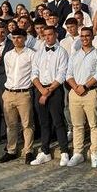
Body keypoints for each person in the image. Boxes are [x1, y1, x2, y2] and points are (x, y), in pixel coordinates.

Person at [30, 26, 71, 166]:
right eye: (45, 35)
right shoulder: (38, 53)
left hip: (55, 90)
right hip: (40, 89)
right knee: (44, 123)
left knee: (58, 121)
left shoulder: (62, 52)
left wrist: (48, 91)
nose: (47, 37)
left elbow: (61, 74)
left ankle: (65, 152)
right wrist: (42, 90)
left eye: (50, 34)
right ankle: (45, 151)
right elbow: (34, 73)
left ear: (56, 35)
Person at [65, 27, 97, 167]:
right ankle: (78, 153)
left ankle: (95, 152)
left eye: (87, 36)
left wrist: (85, 87)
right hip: (75, 92)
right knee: (77, 125)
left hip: (91, 92)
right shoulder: (74, 55)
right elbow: (68, 74)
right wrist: (76, 87)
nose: (84, 38)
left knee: (94, 124)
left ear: (92, 37)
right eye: (82, 36)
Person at [0, 29, 36, 165]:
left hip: (24, 93)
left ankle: (28, 151)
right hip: (8, 92)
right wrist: (6, 92)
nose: (16, 40)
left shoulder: (32, 54)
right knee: (11, 125)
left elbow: (34, 73)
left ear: (25, 38)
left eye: (19, 37)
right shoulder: (8, 55)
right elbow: (8, 73)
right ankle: (11, 151)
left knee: (27, 124)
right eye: (13, 38)